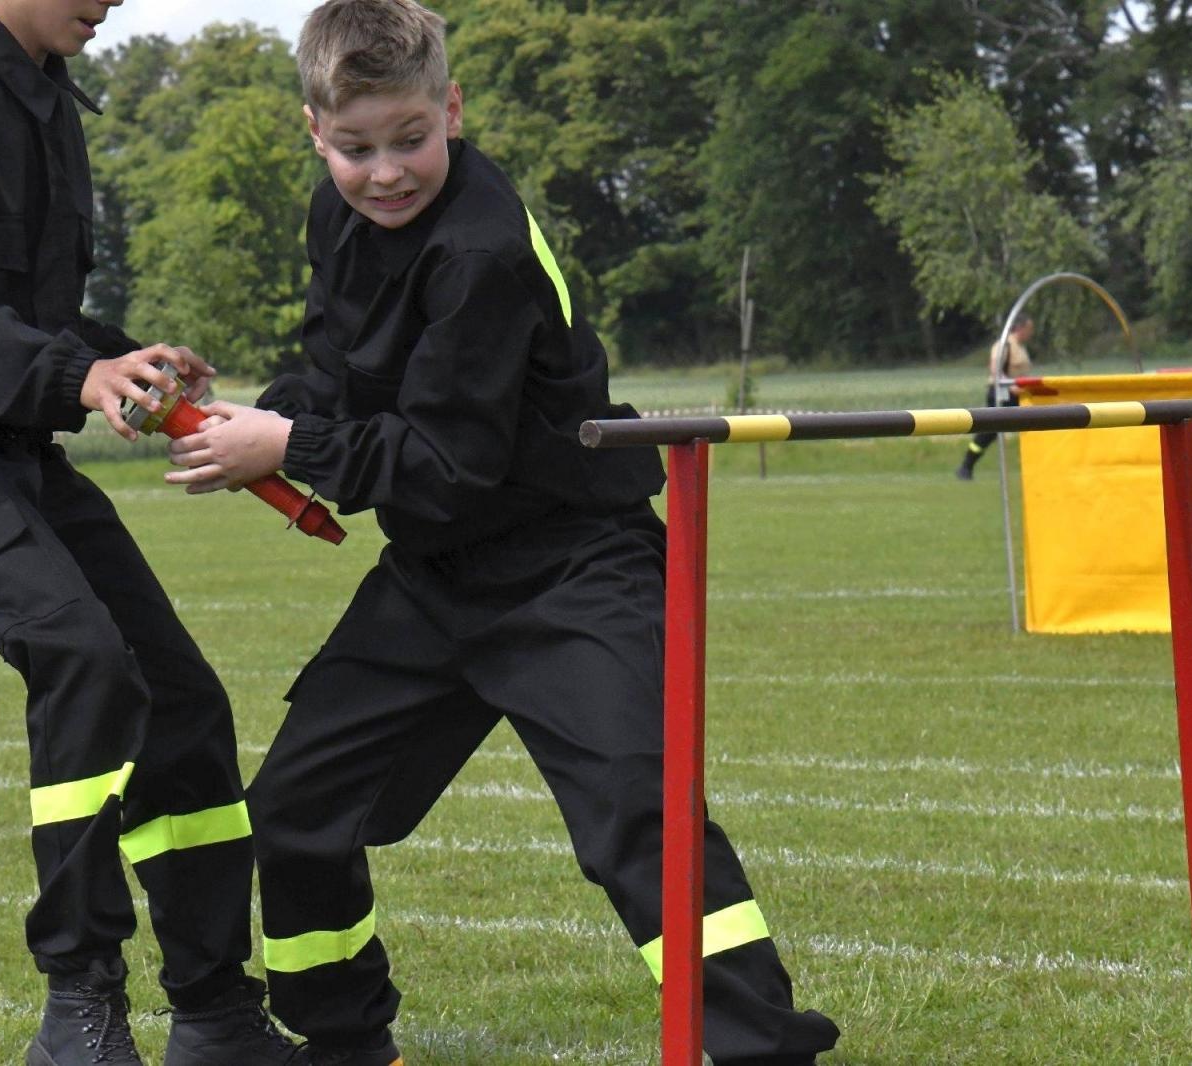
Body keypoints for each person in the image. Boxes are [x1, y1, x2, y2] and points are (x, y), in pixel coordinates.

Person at [164, 2, 842, 1063]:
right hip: (436, 574)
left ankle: (765, 1051)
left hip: (574, 565)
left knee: (638, 817)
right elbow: (338, 377)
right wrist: (233, 417)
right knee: (297, 810)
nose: (385, 173)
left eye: (409, 139)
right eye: (355, 149)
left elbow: (448, 464)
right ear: (315, 131)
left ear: (453, 110)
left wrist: (287, 445)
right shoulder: (334, 217)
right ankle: (345, 1045)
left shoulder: (482, 248)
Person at [0, 2, 295, 1063]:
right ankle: (79, 1008)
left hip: (18, 448)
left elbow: (31, 315)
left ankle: (215, 1016)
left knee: (183, 699)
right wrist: (76, 373)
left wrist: (126, 360)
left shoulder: (47, 98)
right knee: (83, 659)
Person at [956, 315, 1034, 480]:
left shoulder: (1020, 347)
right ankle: (966, 466)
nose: (1031, 333)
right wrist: (1010, 386)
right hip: (1003, 394)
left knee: (1031, 424)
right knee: (990, 430)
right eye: (1029, 329)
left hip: (1019, 395)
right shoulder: (1004, 345)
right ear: (1020, 328)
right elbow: (995, 369)